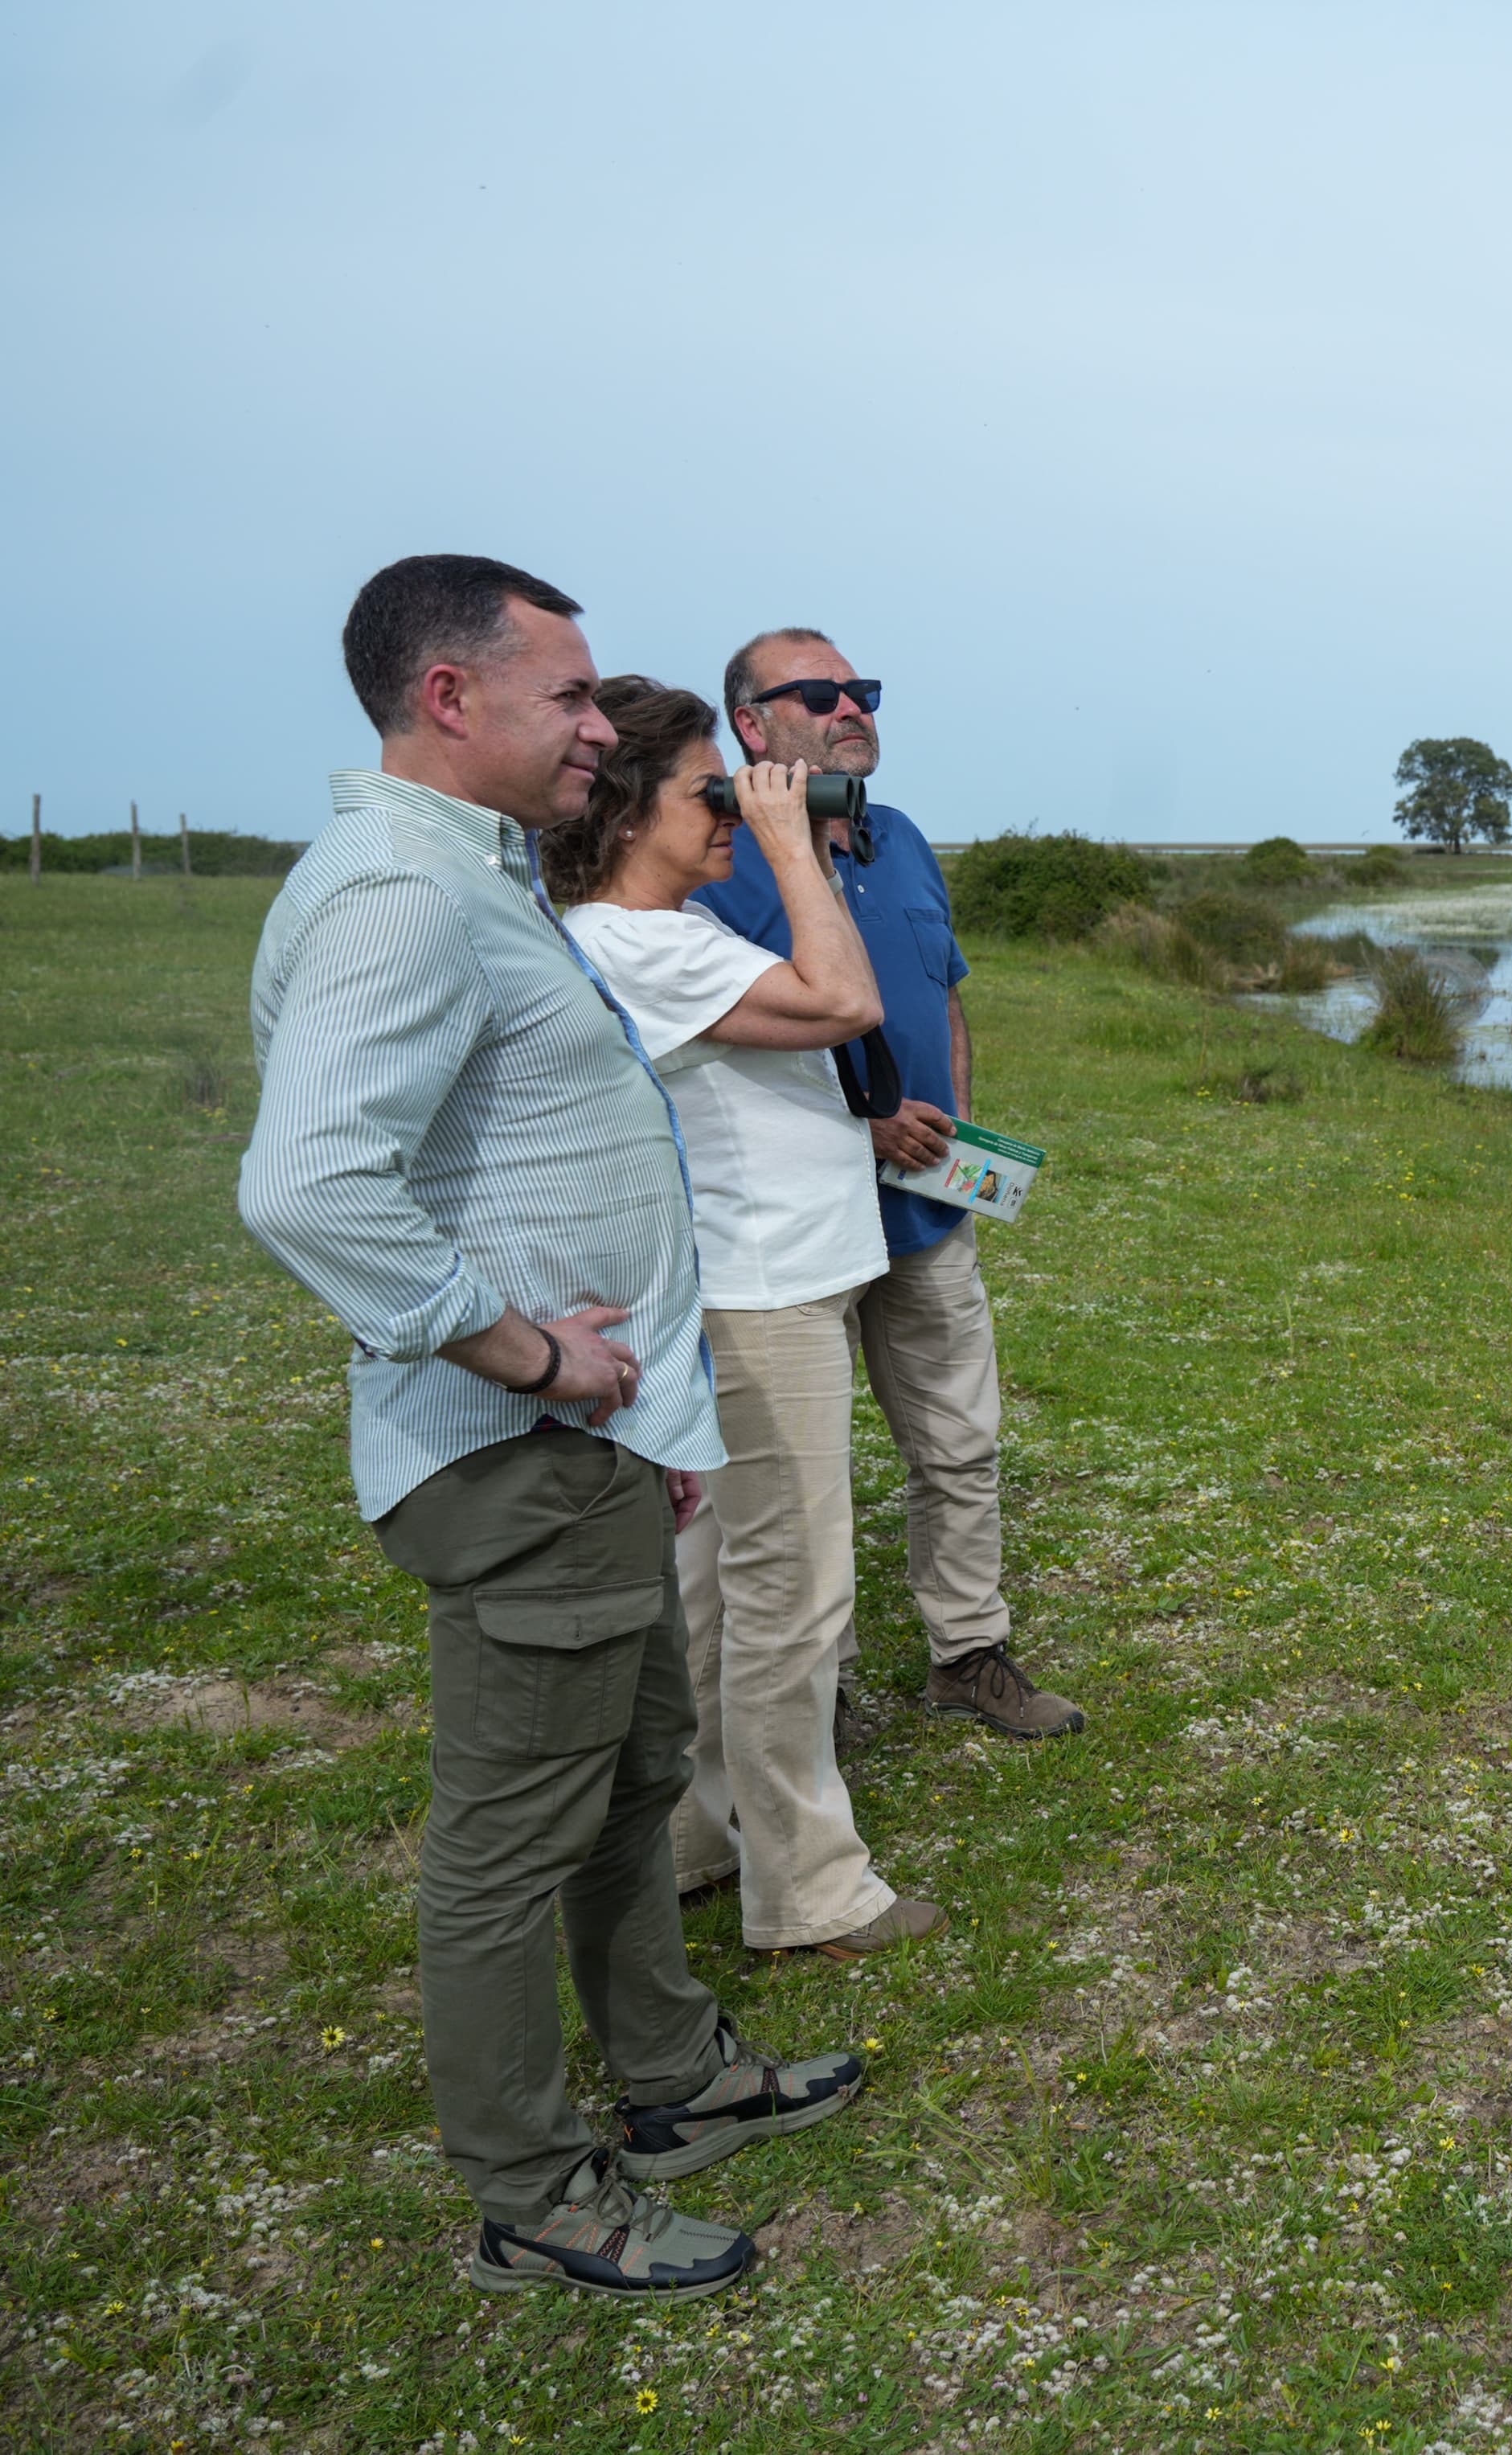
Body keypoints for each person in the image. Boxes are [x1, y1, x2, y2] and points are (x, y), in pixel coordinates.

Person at [239, 556, 863, 2301]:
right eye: (573, 697)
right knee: (512, 1841)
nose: (603, 726)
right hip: (516, 1451)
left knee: (625, 1783)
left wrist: (632, 1392)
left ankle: (670, 2080)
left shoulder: (475, 878)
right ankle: (531, 2188)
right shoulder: (399, 893)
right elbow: (305, 1186)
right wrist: (522, 1351)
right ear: (451, 700)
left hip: (595, 1447)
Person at [539, 679, 950, 1961]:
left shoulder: (655, 932)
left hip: (765, 1282)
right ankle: (809, 1889)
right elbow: (846, 1003)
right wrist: (790, 841)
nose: (731, 811)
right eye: (708, 793)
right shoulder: (636, 940)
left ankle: (701, 1834)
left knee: (718, 1586)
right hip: (761, 1295)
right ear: (624, 811)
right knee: (795, 1594)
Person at [695, 626, 1082, 1740]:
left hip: (925, 1209)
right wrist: (862, 1130)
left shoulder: (899, 837)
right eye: (817, 692)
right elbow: (706, 1038)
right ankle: (823, 1690)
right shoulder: (717, 855)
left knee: (961, 1441)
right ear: (752, 726)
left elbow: (942, 995)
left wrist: (952, 1137)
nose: (850, 706)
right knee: (802, 1477)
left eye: (861, 689)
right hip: (792, 1221)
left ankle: (969, 1653)